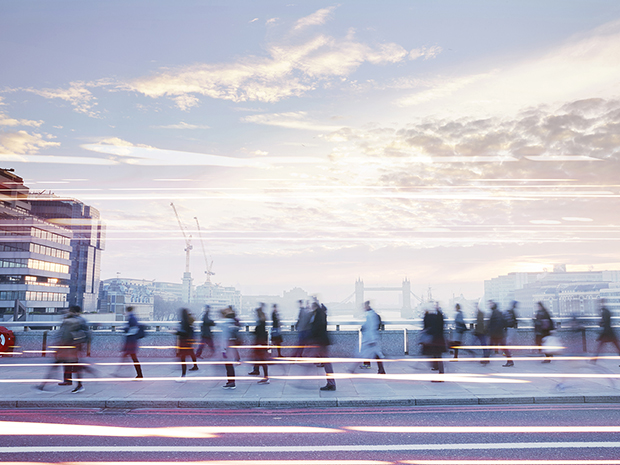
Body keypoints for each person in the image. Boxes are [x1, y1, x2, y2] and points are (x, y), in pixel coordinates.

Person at [35, 307, 84, 392]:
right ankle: (43, 385)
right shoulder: (72, 321)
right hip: (68, 349)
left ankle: (43, 385)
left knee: (59, 366)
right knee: (70, 367)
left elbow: (65, 335)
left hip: (68, 349)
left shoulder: (72, 322)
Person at [350, 301, 385, 374]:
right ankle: (381, 370)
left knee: (362, 354)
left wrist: (371, 339)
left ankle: (352, 369)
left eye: (364, 306)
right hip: (372, 338)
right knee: (375, 355)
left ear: (367, 306)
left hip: (369, 339)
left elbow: (370, 327)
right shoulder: (372, 314)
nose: (363, 308)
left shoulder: (370, 315)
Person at [310, 300, 336, 391]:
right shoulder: (321, 315)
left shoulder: (320, 315)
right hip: (321, 341)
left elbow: (316, 328)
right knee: (326, 362)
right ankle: (331, 383)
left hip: (321, 342)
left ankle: (331, 383)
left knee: (327, 363)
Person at [114, 306, 143, 379]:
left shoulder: (131, 318)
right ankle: (138, 374)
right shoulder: (133, 317)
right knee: (131, 357)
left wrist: (124, 328)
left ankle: (139, 374)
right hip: (132, 341)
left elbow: (131, 329)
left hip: (131, 342)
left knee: (133, 358)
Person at [591, 300, 620, 364]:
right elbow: (607, 321)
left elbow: (604, 322)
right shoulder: (606, 311)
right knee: (616, 346)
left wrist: (601, 323)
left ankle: (594, 359)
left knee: (600, 346)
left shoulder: (604, 312)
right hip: (609, 331)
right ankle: (594, 359)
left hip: (606, 332)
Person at [486, 301, 513, 367]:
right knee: (501, 348)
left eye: (490, 305)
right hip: (498, 334)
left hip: (497, 334)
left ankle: (510, 361)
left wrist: (491, 331)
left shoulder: (495, 313)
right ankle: (486, 359)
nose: (489, 306)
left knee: (502, 348)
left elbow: (496, 324)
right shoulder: (497, 312)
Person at [248, 304, 269, 384]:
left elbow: (260, 333)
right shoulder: (262, 322)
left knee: (262, 360)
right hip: (260, 344)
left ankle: (266, 377)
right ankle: (257, 370)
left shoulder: (260, 323)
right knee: (259, 359)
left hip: (259, 344)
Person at [424, 303, 446, 379]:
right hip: (438, 340)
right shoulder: (439, 316)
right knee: (438, 357)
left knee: (438, 357)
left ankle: (441, 374)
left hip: (437, 340)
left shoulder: (438, 317)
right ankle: (439, 371)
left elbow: (432, 327)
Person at [221, 306, 241, 389]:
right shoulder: (233, 322)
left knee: (228, 365)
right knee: (229, 365)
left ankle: (231, 382)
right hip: (231, 345)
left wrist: (223, 349)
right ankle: (230, 381)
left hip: (227, 346)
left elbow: (224, 337)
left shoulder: (226, 323)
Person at [176, 308, 199, 381]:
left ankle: (183, 375)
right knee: (191, 354)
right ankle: (194, 366)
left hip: (183, 343)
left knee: (183, 359)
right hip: (188, 342)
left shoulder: (184, 322)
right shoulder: (188, 321)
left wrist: (177, 332)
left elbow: (183, 332)